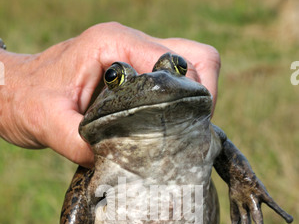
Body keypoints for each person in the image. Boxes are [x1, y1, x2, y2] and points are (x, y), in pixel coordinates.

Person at [0, 22, 221, 168]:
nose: (158, 85)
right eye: (115, 77)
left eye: (178, 66)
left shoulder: (200, 136)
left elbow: (220, 143)